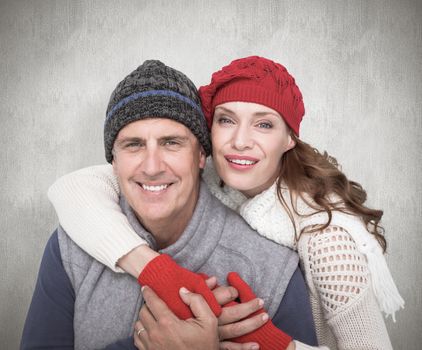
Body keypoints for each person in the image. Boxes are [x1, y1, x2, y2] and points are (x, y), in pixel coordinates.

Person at [46, 56, 405, 349]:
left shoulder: (326, 240)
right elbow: (72, 188)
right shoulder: (219, 182)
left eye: (263, 125)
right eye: (226, 120)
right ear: (209, 135)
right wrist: (161, 274)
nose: (240, 142)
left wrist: (265, 342)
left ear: (290, 139)